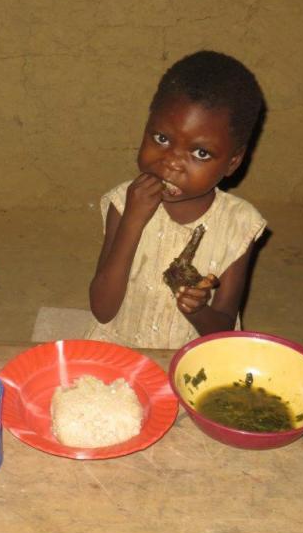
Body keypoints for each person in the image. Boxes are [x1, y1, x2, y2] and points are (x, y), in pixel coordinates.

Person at [86, 51, 266, 349]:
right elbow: (102, 309)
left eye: (200, 153)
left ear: (233, 162)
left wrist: (198, 310)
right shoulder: (124, 203)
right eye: (161, 139)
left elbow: (221, 330)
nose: (171, 162)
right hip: (121, 346)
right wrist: (133, 221)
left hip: (194, 355)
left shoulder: (239, 225)